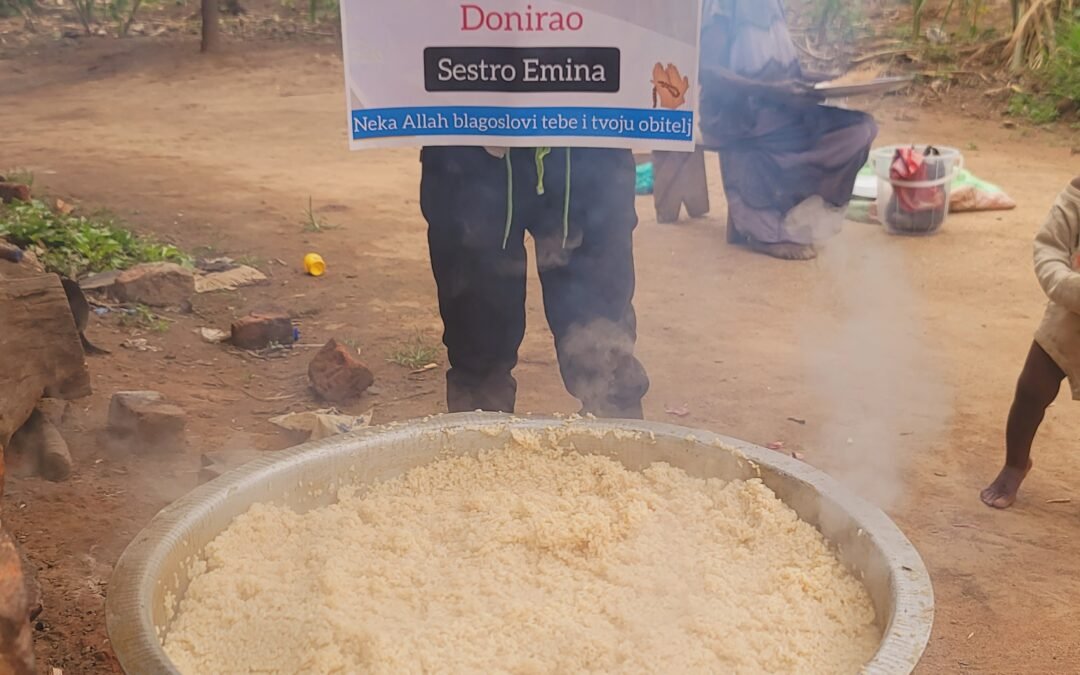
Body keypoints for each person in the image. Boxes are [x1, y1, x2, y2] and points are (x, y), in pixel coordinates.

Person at [420, 145, 650, 419]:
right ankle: (480, 441)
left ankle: (618, 445)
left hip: (589, 145)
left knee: (603, 342)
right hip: (467, 151)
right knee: (476, 335)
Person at [697, 0, 878, 260]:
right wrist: (771, 91)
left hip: (778, 108)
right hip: (737, 114)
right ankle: (763, 230)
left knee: (859, 131)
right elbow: (707, 71)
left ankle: (796, 216)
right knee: (779, 138)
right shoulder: (723, 5)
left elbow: (775, 66)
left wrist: (814, 79)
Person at [982, 177, 1080, 509]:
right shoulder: (1077, 197)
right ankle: (1015, 464)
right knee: (1031, 390)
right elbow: (1049, 247)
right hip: (1069, 318)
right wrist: (1065, 284)